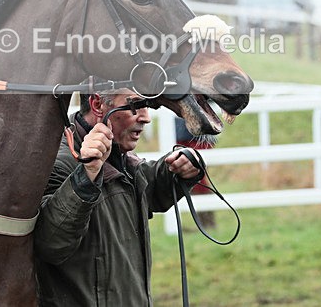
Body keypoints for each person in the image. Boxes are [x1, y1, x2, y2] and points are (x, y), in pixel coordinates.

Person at [33, 89, 205, 306]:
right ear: (97, 105)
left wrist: (176, 169)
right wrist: (87, 175)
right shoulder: (56, 162)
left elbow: (131, 197)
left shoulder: (118, 154)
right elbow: (50, 243)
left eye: (147, 105)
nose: (146, 117)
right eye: (135, 105)